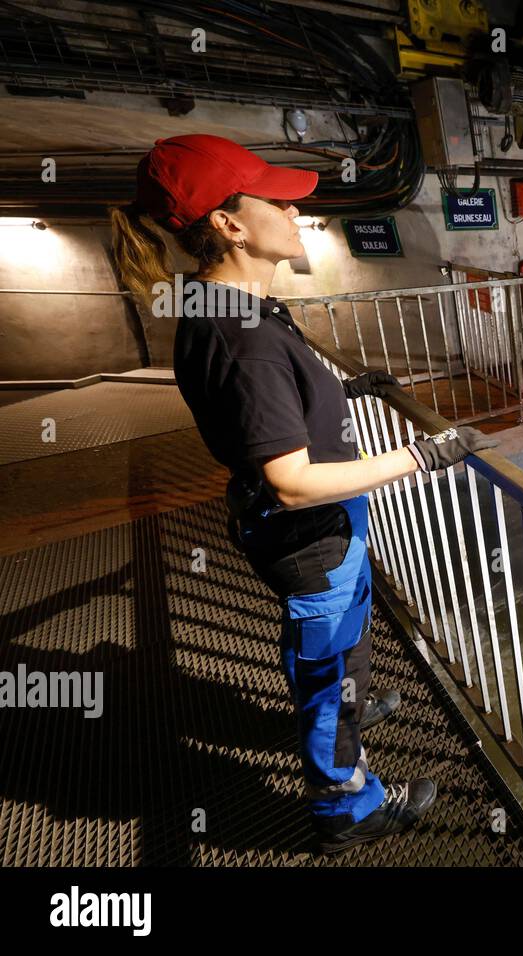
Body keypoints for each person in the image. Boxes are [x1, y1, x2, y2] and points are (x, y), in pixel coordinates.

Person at [109, 134, 497, 853]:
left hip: (318, 533)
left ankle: (342, 705)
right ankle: (345, 811)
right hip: (308, 534)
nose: (294, 211)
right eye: (273, 199)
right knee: (327, 673)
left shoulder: (239, 305)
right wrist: (421, 455)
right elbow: (290, 482)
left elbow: (272, 412)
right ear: (228, 225)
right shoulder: (241, 334)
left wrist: (344, 391)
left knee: (334, 655)